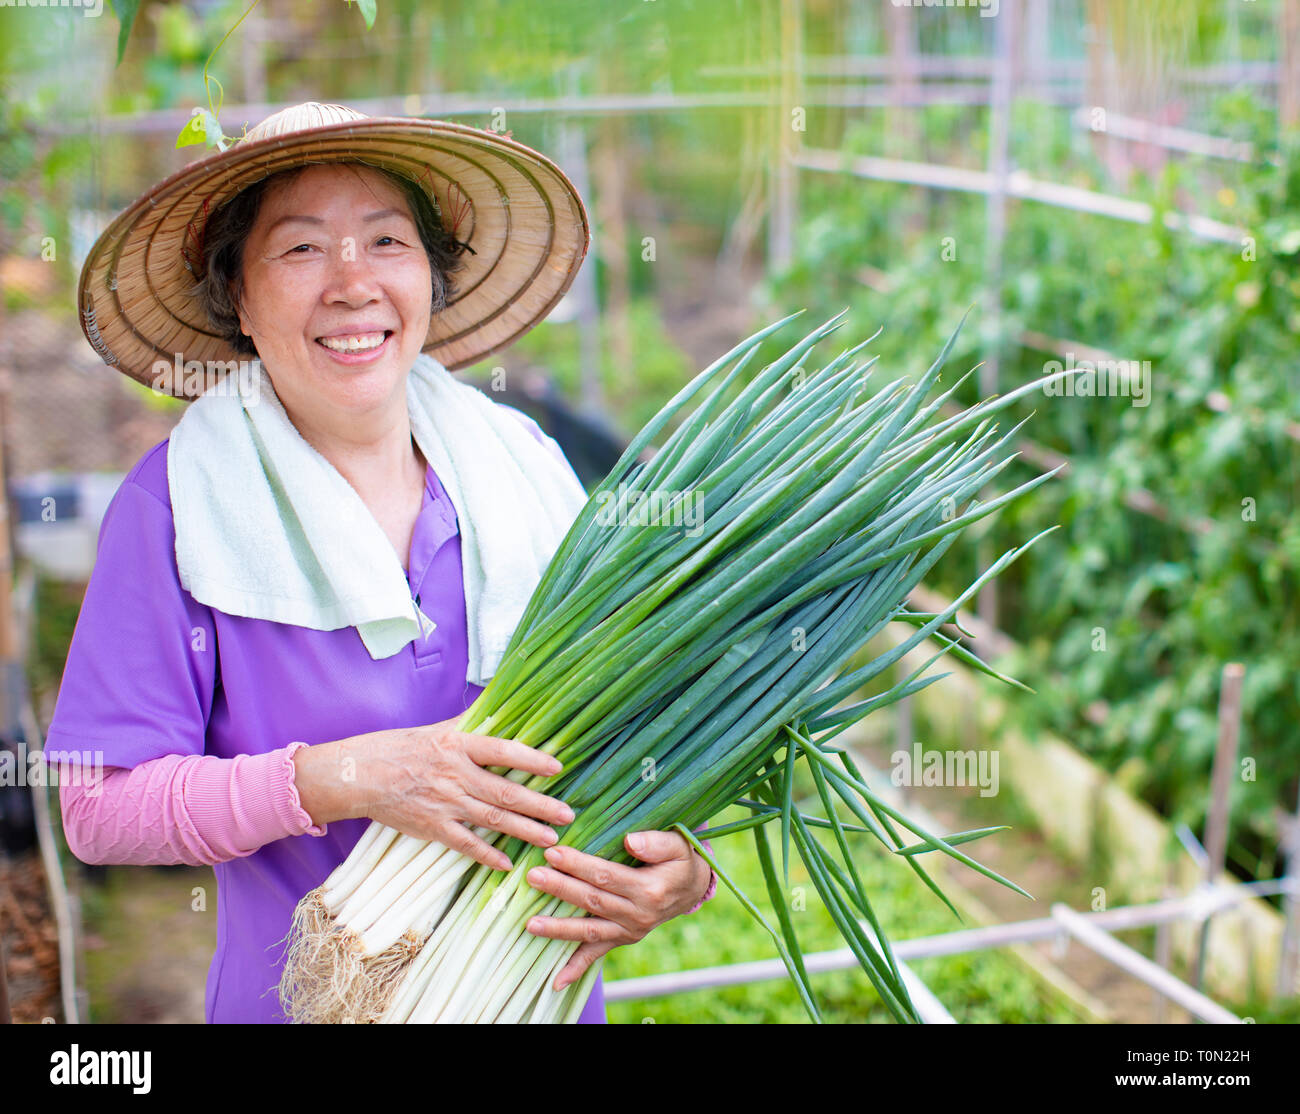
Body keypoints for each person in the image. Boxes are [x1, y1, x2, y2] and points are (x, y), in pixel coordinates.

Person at [48, 102, 715, 1024]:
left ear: (432, 281)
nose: (352, 283)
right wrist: (343, 776)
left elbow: (640, 739)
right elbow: (97, 806)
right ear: (235, 296)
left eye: (387, 241)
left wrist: (680, 867)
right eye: (300, 249)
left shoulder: (527, 472)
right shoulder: (178, 507)